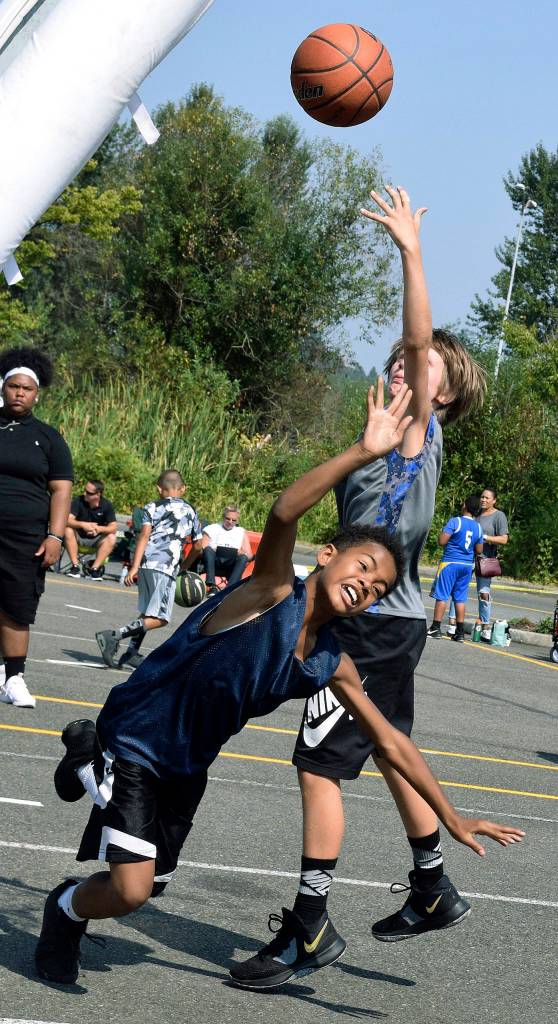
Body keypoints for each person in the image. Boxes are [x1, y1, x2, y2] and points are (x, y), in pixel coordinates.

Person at [34, 381, 523, 988]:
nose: (366, 586)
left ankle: (86, 770)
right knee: (131, 891)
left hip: (186, 764)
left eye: (377, 589)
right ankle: (64, 902)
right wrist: (364, 453)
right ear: (328, 554)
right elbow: (285, 510)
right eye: (362, 568)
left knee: (149, 883)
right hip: (136, 738)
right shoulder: (268, 593)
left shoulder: (332, 661)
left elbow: (391, 744)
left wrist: (451, 818)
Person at [236, 185, 488, 987]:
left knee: (318, 766)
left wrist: (409, 252)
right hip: (390, 621)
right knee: (385, 750)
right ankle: (431, 886)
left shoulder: (421, 430)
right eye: (403, 360)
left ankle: (308, 929)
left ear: (439, 391)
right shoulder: (381, 441)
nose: (406, 363)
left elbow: (420, 341)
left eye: (422, 366)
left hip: (376, 627)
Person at [0, 346, 73, 709]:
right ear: (3, 388)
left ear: (36, 394)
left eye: (26, 389)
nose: (19, 393)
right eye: (13, 386)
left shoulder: (48, 438)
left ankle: (14, 678)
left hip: (25, 537)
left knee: (16, 607)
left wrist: (56, 535)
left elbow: (61, 489)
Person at [95, 470, 202, 670]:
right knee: (161, 618)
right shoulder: (190, 510)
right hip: (165, 566)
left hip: (145, 564)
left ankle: (131, 653)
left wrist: (134, 567)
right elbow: (198, 545)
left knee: (147, 613)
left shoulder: (152, 506)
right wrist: (185, 567)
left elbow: (143, 536)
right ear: (183, 488)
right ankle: (113, 636)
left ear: (159, 489)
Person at [447, 488, 509, 639]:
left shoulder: (499, 516)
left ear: (494, 501)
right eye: (482, 497)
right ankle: (453, 623)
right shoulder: (475, 513)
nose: (483, 500)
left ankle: (486, 625)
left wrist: (485, 537)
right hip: (467, 558)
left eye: (487, 498)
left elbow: (504, 539)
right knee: (458, 590)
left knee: (484, 593)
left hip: (485, 559)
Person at [427, 494, 484, 643]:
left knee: (442, 595)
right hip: (466, 565)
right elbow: (479, 549)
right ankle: (459, 632)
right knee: (460, 598)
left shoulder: (455, 521)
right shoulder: (478, 527)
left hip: (450, 562)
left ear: (465, 505)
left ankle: (435, 627)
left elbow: (442, 541)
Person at [64, 479, 117, 579]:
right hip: (78, 538)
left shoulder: (107, 505)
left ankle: (94, 569)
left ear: (98, 494)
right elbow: (67, 520)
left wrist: (99, 529)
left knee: (112, 538)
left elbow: (113, 527)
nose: (85, 493)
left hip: (96, 541)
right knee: (67, 529)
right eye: (85, 490)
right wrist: (83, 525)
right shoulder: (78, 501)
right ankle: (75, 567)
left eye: (89, 493)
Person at [201, 504, 254, 596]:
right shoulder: (212, 528)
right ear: (223, 517)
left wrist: (241, 552)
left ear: (237, 521)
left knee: (243, 557)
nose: (230, 522)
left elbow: (249, 555)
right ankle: (211, 585)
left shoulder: (240, 531)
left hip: (230, 563)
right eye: (228, 519)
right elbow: (202, 548)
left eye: (234, 520)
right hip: (214, 561)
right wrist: (215, 548)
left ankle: (229, 589)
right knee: (208, 549)